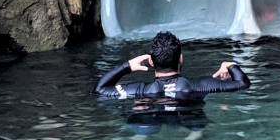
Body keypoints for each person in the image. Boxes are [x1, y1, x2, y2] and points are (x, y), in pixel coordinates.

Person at [91, 31, 250, 99]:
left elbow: (99, 90)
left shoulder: (140, 90)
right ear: (181, 59)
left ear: (151, 62)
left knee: (140, 118)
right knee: (196, 119)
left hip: (150, 113)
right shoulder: (200, 85)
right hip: (188, 112)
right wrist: (229, 64)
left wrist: (126, 66)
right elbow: (243, 84)